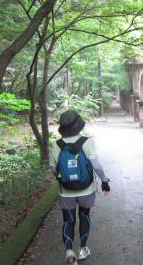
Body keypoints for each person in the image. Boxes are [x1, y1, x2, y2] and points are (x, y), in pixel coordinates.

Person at [50, 110, 110, 265]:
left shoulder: (57, 145)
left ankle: (69, 251)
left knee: (68, 221)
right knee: (84, 216)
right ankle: (82, 249)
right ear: (78, 125)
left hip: (66, 191)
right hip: (86, 190)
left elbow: (53, 168)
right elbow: (96, 165)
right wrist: (104, 181)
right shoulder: (86, 142)